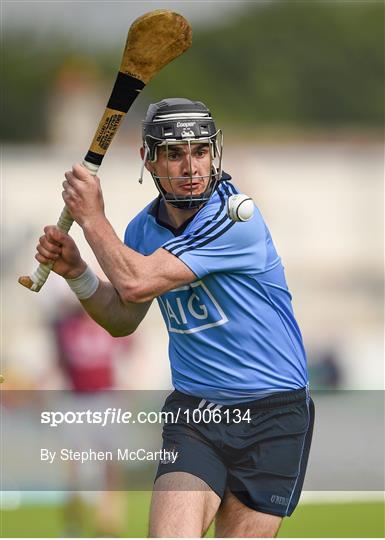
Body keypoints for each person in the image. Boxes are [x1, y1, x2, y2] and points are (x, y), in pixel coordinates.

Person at [35, 97, 315, 538]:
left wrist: (91, 218)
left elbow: (137, 282)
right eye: (174, 153)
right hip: (197, 415)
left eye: (200, 151)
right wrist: (78, 273)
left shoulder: (234, 218)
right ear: (148, 159)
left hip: (272, 415)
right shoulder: (142, 231)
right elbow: (123, 318)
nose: (191, 167)